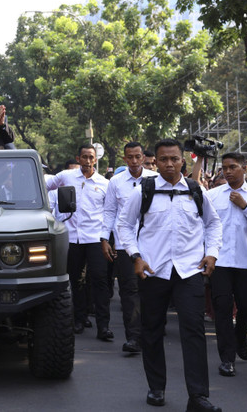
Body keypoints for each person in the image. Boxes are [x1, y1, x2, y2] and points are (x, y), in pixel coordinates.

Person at [117, 138, 222, 412]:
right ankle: (156, 387)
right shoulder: (144, 191)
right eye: (163, 159)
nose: (169, 164)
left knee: (194, 332)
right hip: (153, 272)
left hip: (189, 272)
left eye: (174, 159)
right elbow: (124, 226)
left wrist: (212, 253)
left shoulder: (196, 190)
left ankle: (198, 397)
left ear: (182, 161)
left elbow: (213, 225)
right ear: (157, 161)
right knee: (151, 331)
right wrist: (136, 257)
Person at [205, 152, 247, 377]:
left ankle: (241, 338)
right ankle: (227, 359)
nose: (228, 171)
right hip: (220, 261)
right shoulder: (213, 195)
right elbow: (206, 225)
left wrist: (244, 206)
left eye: (233, 167)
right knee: (222, 308)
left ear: (245, 169)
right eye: (225, 168)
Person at [46, 144, 113, 341]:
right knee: (75, 280)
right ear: (78, 158)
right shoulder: (66, 177)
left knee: (100, 280)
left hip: (95, 238)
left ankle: (104, 326)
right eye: (84, 157)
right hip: (72, 236)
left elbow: (109, 212)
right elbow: (45, 188)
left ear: (95, 160)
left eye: (91, 157)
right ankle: (78, 319)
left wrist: (108, 238)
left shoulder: (104, 183)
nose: (87, 160)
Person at [100, 142, 156, 354]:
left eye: (137, 157)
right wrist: (105, 239)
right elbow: (109, 212)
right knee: (129, 291)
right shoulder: (115, 182)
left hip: (152, 243)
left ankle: (150, 334)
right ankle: (133, 337)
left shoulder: (155, 180)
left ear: (143, 157)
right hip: (125, 244)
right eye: (129, 157)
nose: (134, 161)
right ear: (125, 159)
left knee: (151, 291)